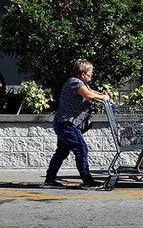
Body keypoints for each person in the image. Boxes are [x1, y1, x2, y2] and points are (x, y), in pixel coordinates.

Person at [43, 59, 112, 190]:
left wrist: (104, 95)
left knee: (62, 152)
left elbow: (93, 93)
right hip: (67, 124)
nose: (92, 74)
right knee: (81, 150)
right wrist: (105, 98)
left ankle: (49, 180)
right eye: (90, 72)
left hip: (64, 123)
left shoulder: (81, 83)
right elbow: (89, 96)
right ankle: (87, 181)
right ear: (82, 74)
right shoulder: (75, 82)